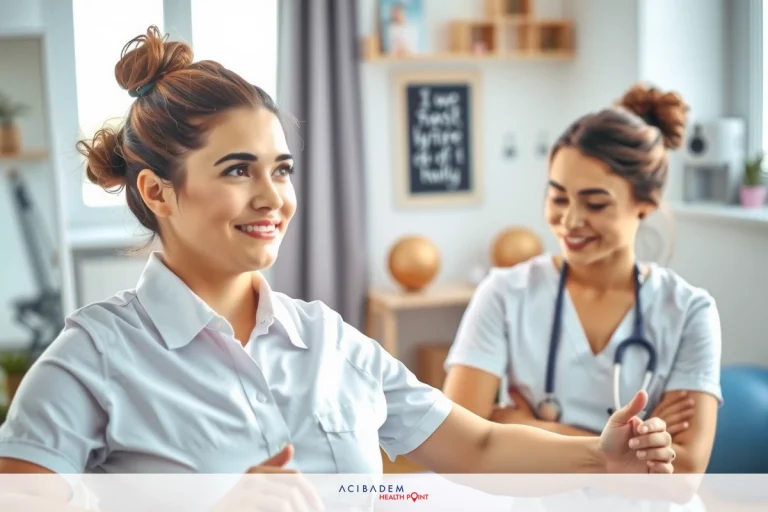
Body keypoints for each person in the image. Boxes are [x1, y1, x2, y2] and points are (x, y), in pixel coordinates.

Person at [0, 28, 675, 509]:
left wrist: (602, 455)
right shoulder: (90, 358)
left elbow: (478, 450)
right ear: (157, 193)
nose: (273, 198)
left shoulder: (330, 340)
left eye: (281, 171)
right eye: (238, 171)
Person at [442, 84, 721, 476]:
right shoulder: (504, 294)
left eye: (595, 203)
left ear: (647, 203)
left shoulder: (691, 311)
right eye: (558, 198)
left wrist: (517, 426)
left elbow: (684, 474)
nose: (570, 220)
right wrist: (624, 451)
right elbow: (457, 442)